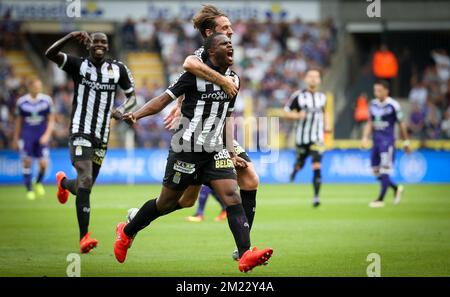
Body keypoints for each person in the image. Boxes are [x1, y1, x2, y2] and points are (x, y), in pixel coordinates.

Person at [115, 33, 273, 273]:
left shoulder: (234, 79)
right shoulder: (192, 77)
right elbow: (163, 99)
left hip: (214, 151)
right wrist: (137, 114)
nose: (230, 46)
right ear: (211, 52)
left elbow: (226, 118)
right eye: (224, 44)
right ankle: (126, 232)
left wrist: (230, 152)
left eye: (231, 44)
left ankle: (245, 255)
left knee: (232, 196)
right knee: (166, 203)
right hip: (186, 150)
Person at [45, 31, 137, 253]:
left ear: (107, 46)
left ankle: (64, 183)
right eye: (96, 41)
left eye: (103, 42)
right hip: (79, 131)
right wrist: (71, 36)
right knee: (85, 180)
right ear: (89, 45)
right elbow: (50, 53)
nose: (99, 45)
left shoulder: (118, 69)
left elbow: (132, 97)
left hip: (101, 136)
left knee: (84, 186)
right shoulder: (78, 65)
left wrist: (122, 110)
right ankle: (84, 237)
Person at [282, 68, 330, 207]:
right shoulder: (298, 96)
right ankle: (295, 170)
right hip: (301, 139)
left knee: (316, 165)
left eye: (316, 76)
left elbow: (324, 113)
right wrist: (297, 115)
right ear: (306, 79)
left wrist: (327, 126)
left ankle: (316, 197)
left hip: (317, 138)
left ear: (319, 80)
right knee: (300, 163)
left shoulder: (323, 97)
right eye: (311, 76)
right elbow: (286, 112)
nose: (314, 79)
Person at [362, 80, 411, 208]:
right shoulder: (372, 104)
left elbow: (401, 123)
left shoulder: (393, 105)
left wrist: (406, 141)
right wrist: (365, 137)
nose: (376, 93)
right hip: (376, 142)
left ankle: (380, 199)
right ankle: (396, 188)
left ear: (386, 91)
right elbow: (370, 122)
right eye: (375, 90)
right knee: (376, 171)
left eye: (379, 90)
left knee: (385, 170)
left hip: (387, 142)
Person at [12, 79, 55, 200]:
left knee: (44, 164)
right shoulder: (22, 102)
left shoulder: (46, 100)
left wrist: (47, 135)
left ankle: (38, 182)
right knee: (27, 162)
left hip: (41, 135)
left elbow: (51, 120)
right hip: (27, 136)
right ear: (30, 87)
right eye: (36, 86)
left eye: (39, 86)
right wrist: (15, 138)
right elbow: (18, 122)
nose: (38, 88)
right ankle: (29, 189)